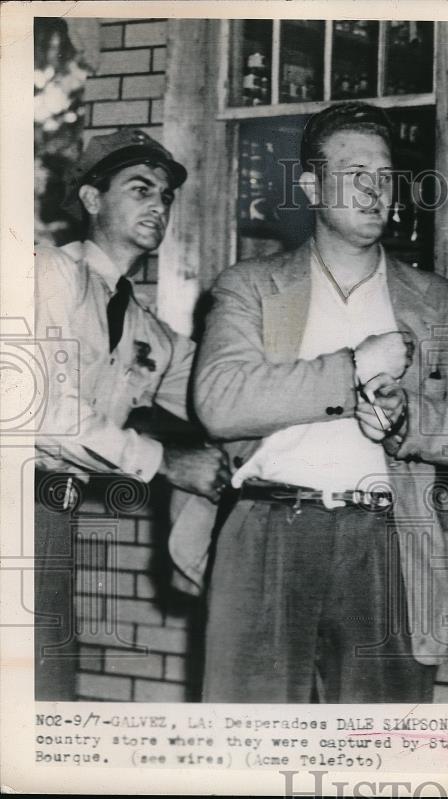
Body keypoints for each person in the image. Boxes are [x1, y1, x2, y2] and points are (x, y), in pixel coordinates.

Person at [193, 102, 448, 703]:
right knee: (247, 751)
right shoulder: (251, 286)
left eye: (385, 176)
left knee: (382, 752)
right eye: (354, 174)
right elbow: (220, 401)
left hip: (385, 539)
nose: (375, 191)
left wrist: (409, 421)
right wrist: (354, 369)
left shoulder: (436, 302)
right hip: (267, 533)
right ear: (312, 186)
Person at [34, 128, 230, 700]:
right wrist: (166, 461)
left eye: (166, 196)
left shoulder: (145, 328)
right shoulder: (48, 274)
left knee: (45, 688)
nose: (158, 205)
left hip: (53, 512)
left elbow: (216, 393)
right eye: (140, 188)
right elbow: (44, 412)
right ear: (92, 200)